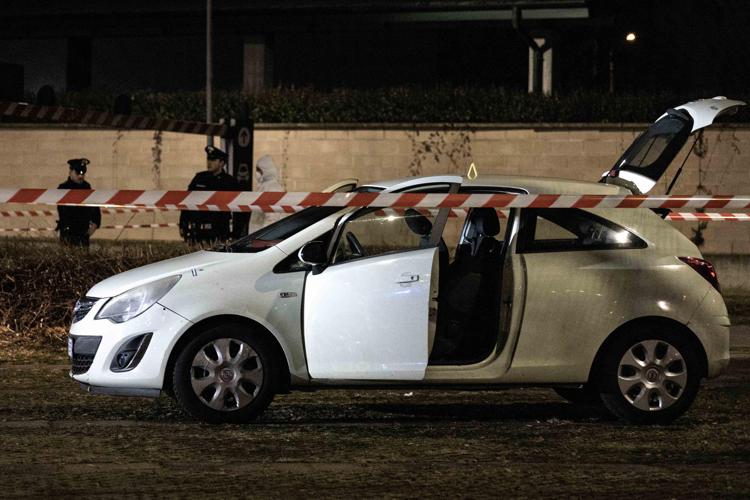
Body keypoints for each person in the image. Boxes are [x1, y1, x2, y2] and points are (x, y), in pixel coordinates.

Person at [179, 145, 239, 243]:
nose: (209, 163)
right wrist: (183, 223)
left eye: (213, 160)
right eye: (208, 159)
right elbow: (188, 201)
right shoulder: (199, 178)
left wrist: (237, 232)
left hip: (219, 231)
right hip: (198, 231)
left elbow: (238, 208)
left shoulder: (229, 182)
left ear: (222, 163)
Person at [57, 158, 101, 247]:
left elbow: (94, 207)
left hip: (83, 232)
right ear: (70, 172)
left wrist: (95, 223)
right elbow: (63, 211)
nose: (81, 176)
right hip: (68, 232)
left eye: (83, 173)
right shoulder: (63, 188)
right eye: (77, 173)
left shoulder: (87, 187)